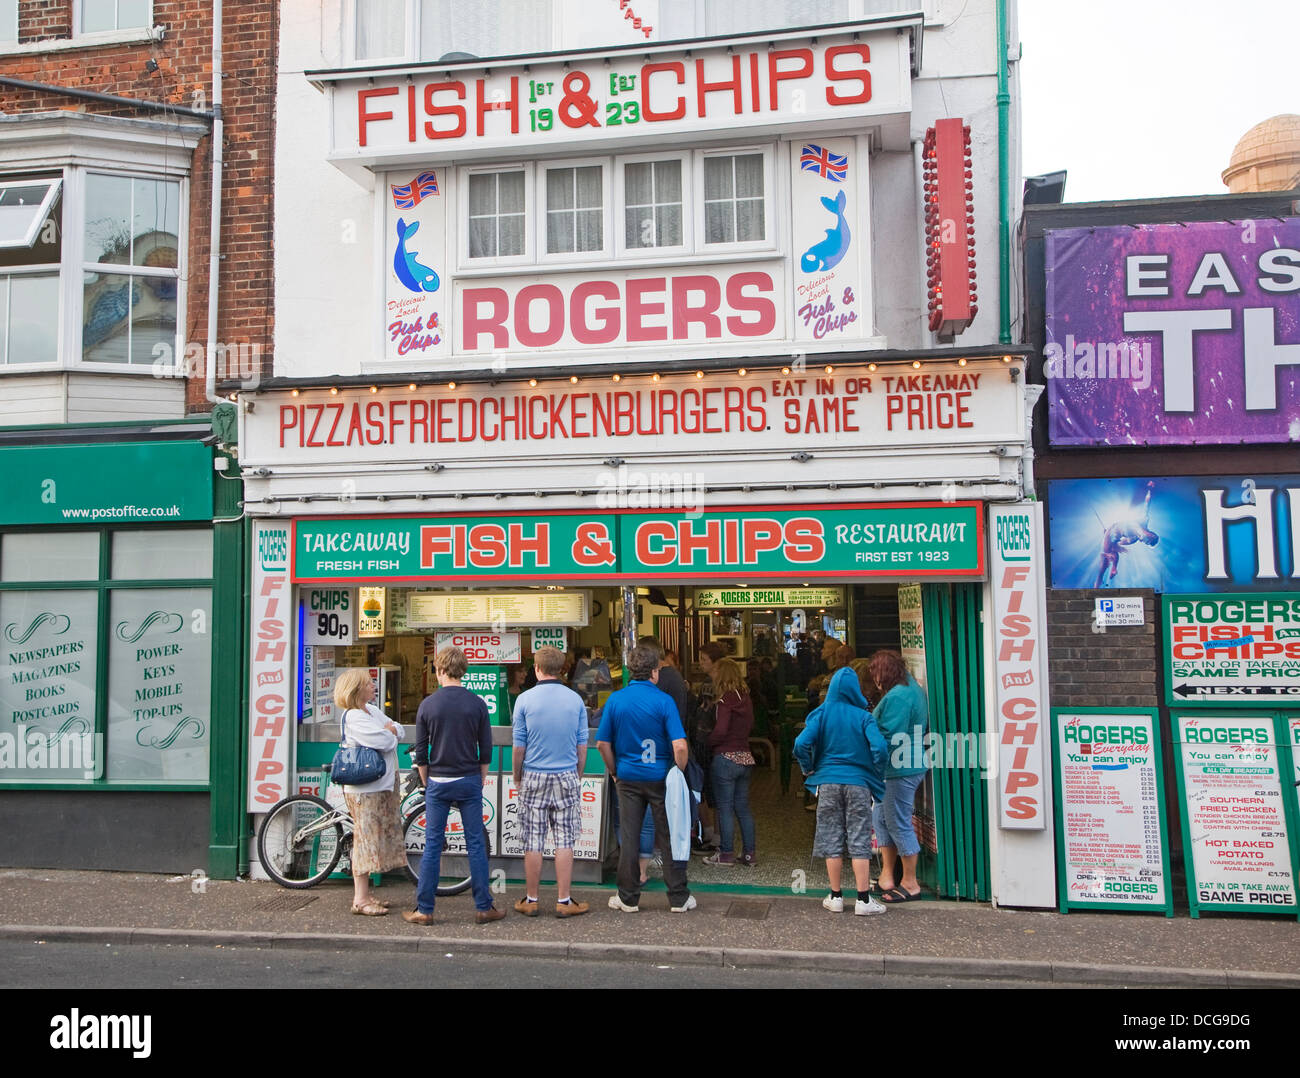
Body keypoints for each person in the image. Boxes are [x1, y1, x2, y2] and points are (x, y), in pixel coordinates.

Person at [403, 645, 506, 926]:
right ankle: (484, 906)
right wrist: (481, 777)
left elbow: (421, 753)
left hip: (438, 780)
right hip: (469, 779)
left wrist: (427, 781)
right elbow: (486, 749)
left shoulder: (427, 705)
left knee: (433, 844)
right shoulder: (477, 703)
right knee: (475, 843)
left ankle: (424, 909)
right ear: (463, 671)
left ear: (439, 670)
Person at [596, 644, 695, 913]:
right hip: (660, 777)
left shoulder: (615, 700)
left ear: (629, 671)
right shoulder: (664, 701)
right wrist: (678, 771)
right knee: (669, 835)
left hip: (627, 778)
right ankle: (678, 897)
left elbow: (602, 744)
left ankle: (628, 897)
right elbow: (681, 746)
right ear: (655, 672)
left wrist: (615, 771)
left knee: (629, 837)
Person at [793, 666, 888, 916]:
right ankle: (863, 900)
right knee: (859, 839)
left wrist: (809, 768)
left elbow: (801, 743)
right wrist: (875, 771)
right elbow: (879, 747)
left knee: (831, 837)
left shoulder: (820, 714)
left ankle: (835, 896)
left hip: (827, 783)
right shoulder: (863, 716)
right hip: (858, 783)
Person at [510, 646, 590, 918]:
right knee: (564, 839)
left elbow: (518, 747)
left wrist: (517, 777)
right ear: (562, 669)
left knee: (533, 840)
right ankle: (564, 901)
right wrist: (577, 774)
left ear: (537, 669)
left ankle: (531, 900)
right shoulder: (576, 700)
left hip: (533, 775)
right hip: (566, 774)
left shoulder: (524, 700)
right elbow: (582, 746)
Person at [333, 668, 406, 917]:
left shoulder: (370, 711)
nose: (373, 685)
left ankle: (364, 895)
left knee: (372, 839)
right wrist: (389, 731)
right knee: (364, 840)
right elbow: (386, 741)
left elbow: (399, 729)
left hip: (380, 786)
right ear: (356, 690)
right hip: (366, 789)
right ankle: (360, 899)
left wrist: (390, 731)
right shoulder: (354, 716)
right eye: (368, 683)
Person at [869, 650, 930, 904]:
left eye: (875, 672)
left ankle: (910, 882)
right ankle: (887, 876)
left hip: (900, 767)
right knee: (880, 817)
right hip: (901, 765)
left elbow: (888, 734)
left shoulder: (899, 697)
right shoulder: (910, 689)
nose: (874, 679)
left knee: (897, 821)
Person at [703, 658, 757, 867]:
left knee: (724, 808)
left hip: (725, 758)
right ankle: (749, 854)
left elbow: (721, 730)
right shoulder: (746, 699)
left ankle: (726, 854)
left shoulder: (725, 700)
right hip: (745, 757)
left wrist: (709, 742)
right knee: (743, 808)